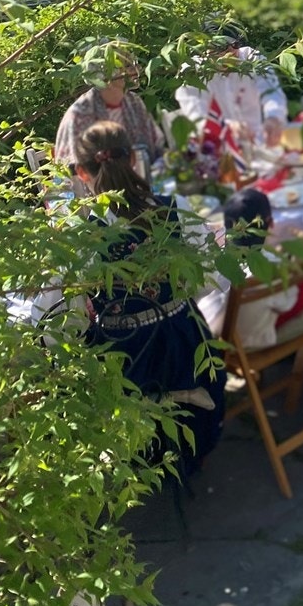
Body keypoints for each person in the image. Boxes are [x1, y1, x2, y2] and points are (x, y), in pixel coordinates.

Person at [71, 121, 225, 476]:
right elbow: (208, 282)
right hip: (182, 347)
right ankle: (190, 450)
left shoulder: (81, 236)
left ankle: (132, 459)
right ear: (134, 159)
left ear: (81, 173)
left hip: (125, 363)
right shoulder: (174, 209)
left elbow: (73, 320)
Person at [55, 48, 169, 195]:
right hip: (99, 199)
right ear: (105, 75)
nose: (137, 69)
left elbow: (155, 147)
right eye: (128, 66)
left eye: (134, 63)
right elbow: (69, 175)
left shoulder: (134, 102)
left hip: (141, 188)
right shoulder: (80, 114)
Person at [174, 40, 289, 150]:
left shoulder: (252, 58)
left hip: (258, 143)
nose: (228, 51)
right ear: (205, 46)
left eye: (234, 44)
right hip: (215, 146)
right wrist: (227, 127)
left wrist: (274, 117)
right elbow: (196, 114)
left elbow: (271, 90)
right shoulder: (193, 70)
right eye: (219, 47)